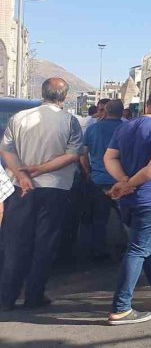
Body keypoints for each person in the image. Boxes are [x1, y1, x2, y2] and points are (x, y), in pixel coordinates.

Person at [0, 78, 83, 311]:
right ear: (64, 97)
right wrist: (42, 169)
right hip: (55, 189)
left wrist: (24, 175)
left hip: (21, 189)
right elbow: (73, 154)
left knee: (15, 243)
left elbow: (6, 149)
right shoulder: (70, 121)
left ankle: (7, 297)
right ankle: (34, 296)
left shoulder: (19, 118)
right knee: (45, 244)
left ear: (42, 93)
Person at [104, 87, 151, 325]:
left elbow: (109, 158)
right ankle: (121, 308)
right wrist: (129, 184)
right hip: (150, 201)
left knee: (150, 249)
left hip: (128, 203)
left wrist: (122, 182)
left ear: (146, 104)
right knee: (138, 250)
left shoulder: (124, 127)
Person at [81, 99, 125, 261]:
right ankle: (125, 248)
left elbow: (83, 154)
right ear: (122, 112)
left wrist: (88, 172)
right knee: (125, 217)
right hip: (122, 181)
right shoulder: (128, 129)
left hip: (98, 180)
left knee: (99, 219)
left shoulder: (93, 129)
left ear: (105, 111)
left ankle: (99, 250)